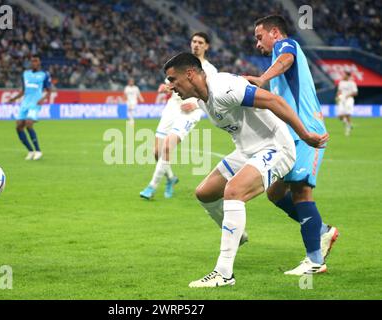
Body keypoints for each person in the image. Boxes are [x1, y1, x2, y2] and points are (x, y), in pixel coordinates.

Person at [163, 52, 328, 287]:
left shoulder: (223, 87)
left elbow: (273, 101)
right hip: (246, 151)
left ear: (190, 74)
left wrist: (305, 135)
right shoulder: (202, 99)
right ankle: (236, 233)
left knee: (234, 191)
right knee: (205, 193)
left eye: (172, 79)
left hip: (275, 147)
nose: (170, 86)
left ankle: (223, 273)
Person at [244, 15, 339, 275]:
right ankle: (322, 231)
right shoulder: (278, 69)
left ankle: (315, 261)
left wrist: (262, 78)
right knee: (275, 193)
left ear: (275, 33)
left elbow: (286, 59)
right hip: (291, 137)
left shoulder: (285, 46)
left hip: (308, 132)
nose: (257, 43)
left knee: (300, 192)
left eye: (258, 36)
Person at [140, 32, 217, 200]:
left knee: (168, 145)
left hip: (191, 111)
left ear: (206, 46)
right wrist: (165, 87)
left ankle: (151, 187)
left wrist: (196, 104)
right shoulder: (180, 63)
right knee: (156, 152)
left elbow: (212, 94)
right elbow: (172, 84)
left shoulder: (210, 70)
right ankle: (171, 179)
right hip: (172, 107)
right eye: (194, 41)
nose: (196, 44)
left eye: (200, 42)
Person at [8, 55, 51, 160]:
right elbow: (23, 90)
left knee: (28, 123)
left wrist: (43, 99)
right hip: (25, 103)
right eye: (32, 61)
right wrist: (14, 99)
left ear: (39, 63)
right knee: (18, 126)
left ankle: (38, 150)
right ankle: (30, 151)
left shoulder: (44, 74)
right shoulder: (25, 74)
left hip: (35, 103)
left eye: (36, 61)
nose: (34, 63)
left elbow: (49, 91)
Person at [336, 71, 358, 136]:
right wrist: (337, 96)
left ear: (348, 76)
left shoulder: (352, 83)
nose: (343, 76)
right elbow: (339, 91)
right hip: (342, 99)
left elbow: (355, 93)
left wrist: (348, 95)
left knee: (347, 114)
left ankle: (348, 129)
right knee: (340, 116)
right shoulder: (341, 83)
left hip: (349, 100)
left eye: (344, 75)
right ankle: (349, 124)